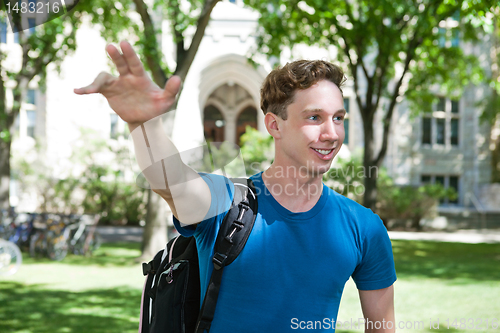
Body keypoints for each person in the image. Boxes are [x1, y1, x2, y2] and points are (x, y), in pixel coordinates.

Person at [75, 41, 396, 333]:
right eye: (314, 117)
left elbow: (382, 328)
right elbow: (170, 179)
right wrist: (142, 123)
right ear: (274, 125)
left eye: (338, 118)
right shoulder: (225, 202)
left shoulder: (363, 227)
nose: (332, 133)